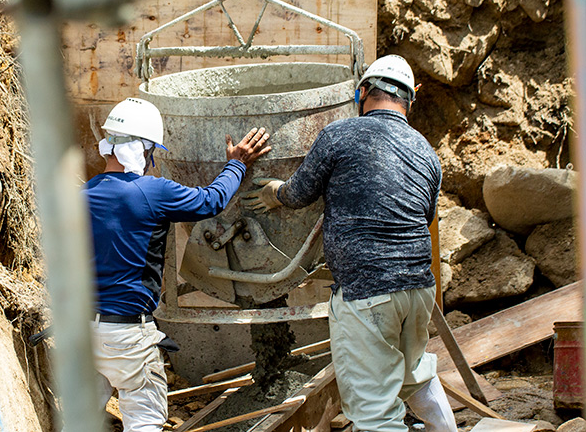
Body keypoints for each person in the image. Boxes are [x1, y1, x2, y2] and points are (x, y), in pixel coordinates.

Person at [241, 55, 457, 432]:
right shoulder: (427, 152)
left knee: (374, 413)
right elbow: (425, 217)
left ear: (362, 93)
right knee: (417, 378)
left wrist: (276, 193)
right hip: (420, 289)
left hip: (367, 292)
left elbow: (301, 192)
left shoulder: (341, 134)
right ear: (410, 99)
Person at [82, 97, 271, 432]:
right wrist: (237, 163)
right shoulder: (151, 192)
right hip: (128, 334)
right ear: (143, 150)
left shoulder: (85, 193)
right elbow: (210, 200)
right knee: (145, 422)